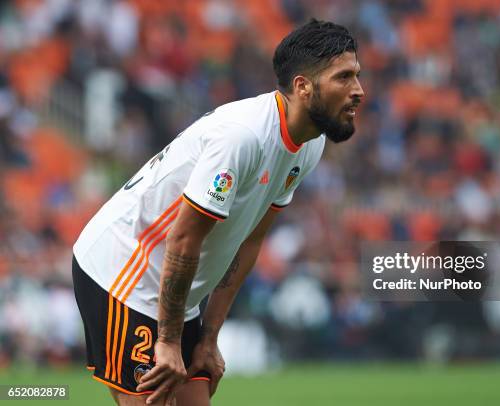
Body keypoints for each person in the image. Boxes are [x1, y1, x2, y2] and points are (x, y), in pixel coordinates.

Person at [72, 18, 364, 406]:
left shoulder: (309, 146)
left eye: (356, 76)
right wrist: (168, 341)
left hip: (176, 293)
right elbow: (184, 238)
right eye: (343, 78)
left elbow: (250, 240)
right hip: (123, 271)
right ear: (303, 87)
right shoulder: (241, 138)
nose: (358, 91)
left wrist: (208, 337)